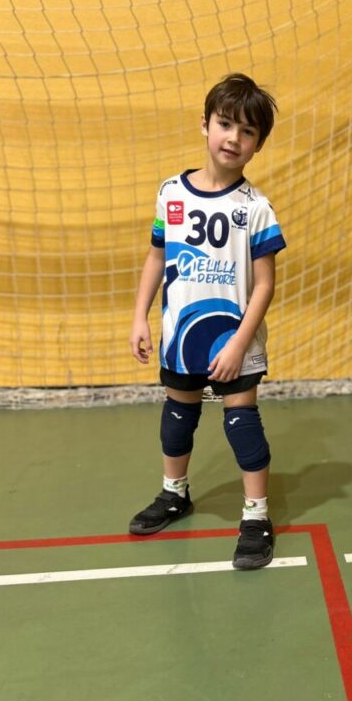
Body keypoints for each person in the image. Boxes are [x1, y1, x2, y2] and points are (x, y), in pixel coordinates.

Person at [129, 73, 286, 570]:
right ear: (204, 124)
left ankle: (256, 516)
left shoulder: (256, 209)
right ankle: (174, 493)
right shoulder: (171, 194)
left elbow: (264, 284)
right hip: (182, 337)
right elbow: (157, 257)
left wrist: (240, 342)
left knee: (241, 424)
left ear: (258, 145)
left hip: (233, 339)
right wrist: (139, 318)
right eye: (225, 124)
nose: (233, 139)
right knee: (177, 420)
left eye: (246, 132)